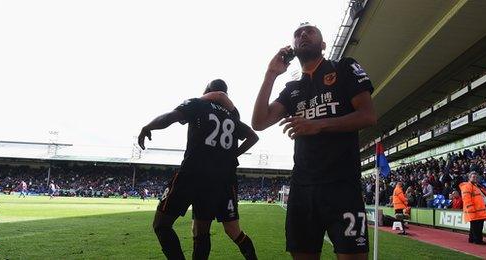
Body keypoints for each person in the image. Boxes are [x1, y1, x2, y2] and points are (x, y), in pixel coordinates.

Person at [251, 22, 376, 259]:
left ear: (323, 44)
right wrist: (271, 74)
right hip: (302, 188)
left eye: (310, 31)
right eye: (298, 33)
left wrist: (318, 124)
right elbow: (259, 122)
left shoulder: (344, 68)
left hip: (342, 186)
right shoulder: (292, 89)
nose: (303, 34)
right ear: (293, 47)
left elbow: (368, 115)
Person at [139, 80, 259, 260]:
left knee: (161, 225)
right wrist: (233, 154)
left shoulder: (198, 104)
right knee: (202, 232)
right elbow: (252, 136)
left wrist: (148, 127)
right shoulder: (233, 116)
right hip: (218, 181)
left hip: (192, 173)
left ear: (207, 91)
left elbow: (170, 118)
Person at [460, 171, 486, 245]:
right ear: (469, 178)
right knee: (477, 226)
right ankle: (478, 240)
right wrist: (471, 209)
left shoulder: (477, 186)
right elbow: (466, 199)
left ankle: (472, 239)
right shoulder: (468, 186)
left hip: (480, 209)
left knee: (475, 226)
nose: (475, 178)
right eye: (473, 177)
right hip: (475, 210)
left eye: (476, 177)